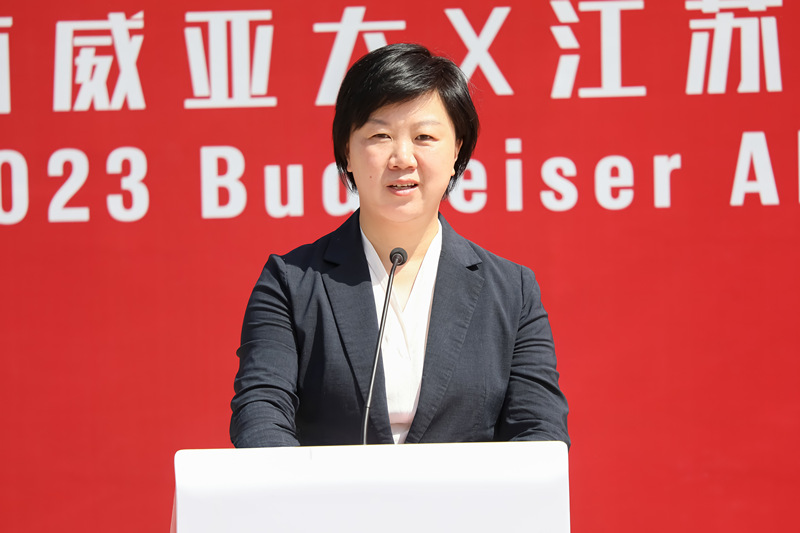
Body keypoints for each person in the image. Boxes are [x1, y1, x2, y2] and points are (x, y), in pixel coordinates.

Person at [230, 43, 569, 447]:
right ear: (347, 152)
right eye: (380, 135)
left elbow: (539, 432)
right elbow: (261, 416)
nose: (402, 158)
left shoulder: (512, 292)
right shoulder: (291, 284)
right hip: (332, 492)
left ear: (457, 150)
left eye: (424, 137)